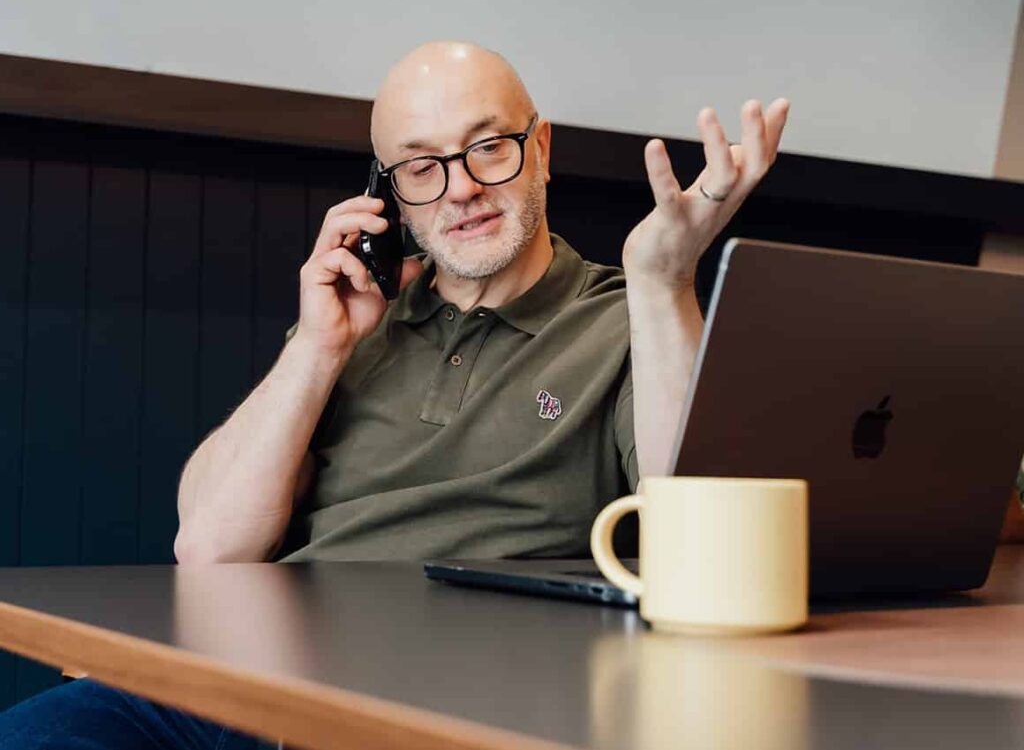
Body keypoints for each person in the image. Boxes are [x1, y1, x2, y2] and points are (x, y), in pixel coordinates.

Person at [0, 41, 789, 747]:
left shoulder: (629, 320)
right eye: (421, 166)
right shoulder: (351, 327)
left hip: (448, 707)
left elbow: (700, 533)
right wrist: (318, 346)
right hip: (238, 684)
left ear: (540, 148)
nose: (462, 188)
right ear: (390, 193)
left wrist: (662, 284)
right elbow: (207, 544)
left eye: (489, 147)